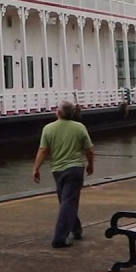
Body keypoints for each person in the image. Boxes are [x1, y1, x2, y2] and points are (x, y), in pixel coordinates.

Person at [32, 101, 95, 248]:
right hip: (75, 169)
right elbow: (89, 149)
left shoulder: (48, 129)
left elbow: (43, 150)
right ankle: (75, 229)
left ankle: (60, 237)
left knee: (66, 201)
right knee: (68, 201)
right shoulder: (79, 128)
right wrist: (91, 165)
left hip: (57, 170)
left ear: (58, 112)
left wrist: (36, 168)